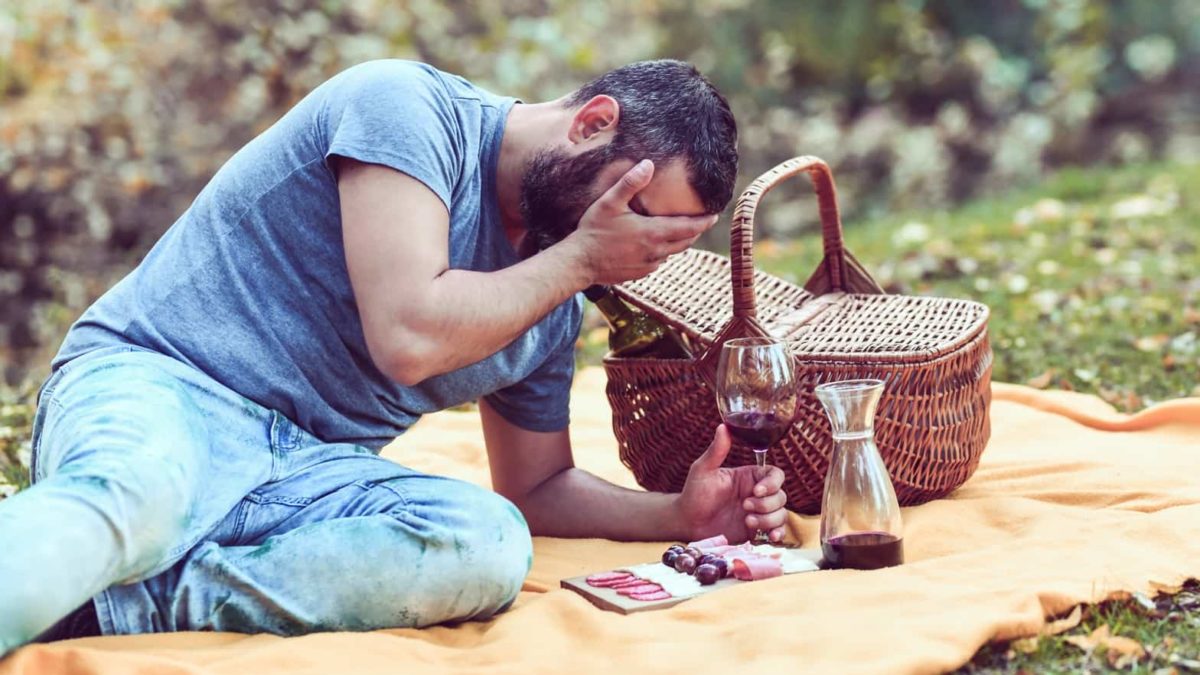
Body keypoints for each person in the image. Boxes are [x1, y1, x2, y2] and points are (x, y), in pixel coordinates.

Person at [0, 58, 788, 652]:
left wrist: (676, 515)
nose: (635, 253)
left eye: (662, 243)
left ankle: (110, 606)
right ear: (592, 124)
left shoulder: (551, 292)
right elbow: (409, 333)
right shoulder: (408, 109)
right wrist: (582, 261)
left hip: (304, 471)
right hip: (168, 382)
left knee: (487, 546)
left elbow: (537, 485)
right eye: (638, 215)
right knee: (138, 491)